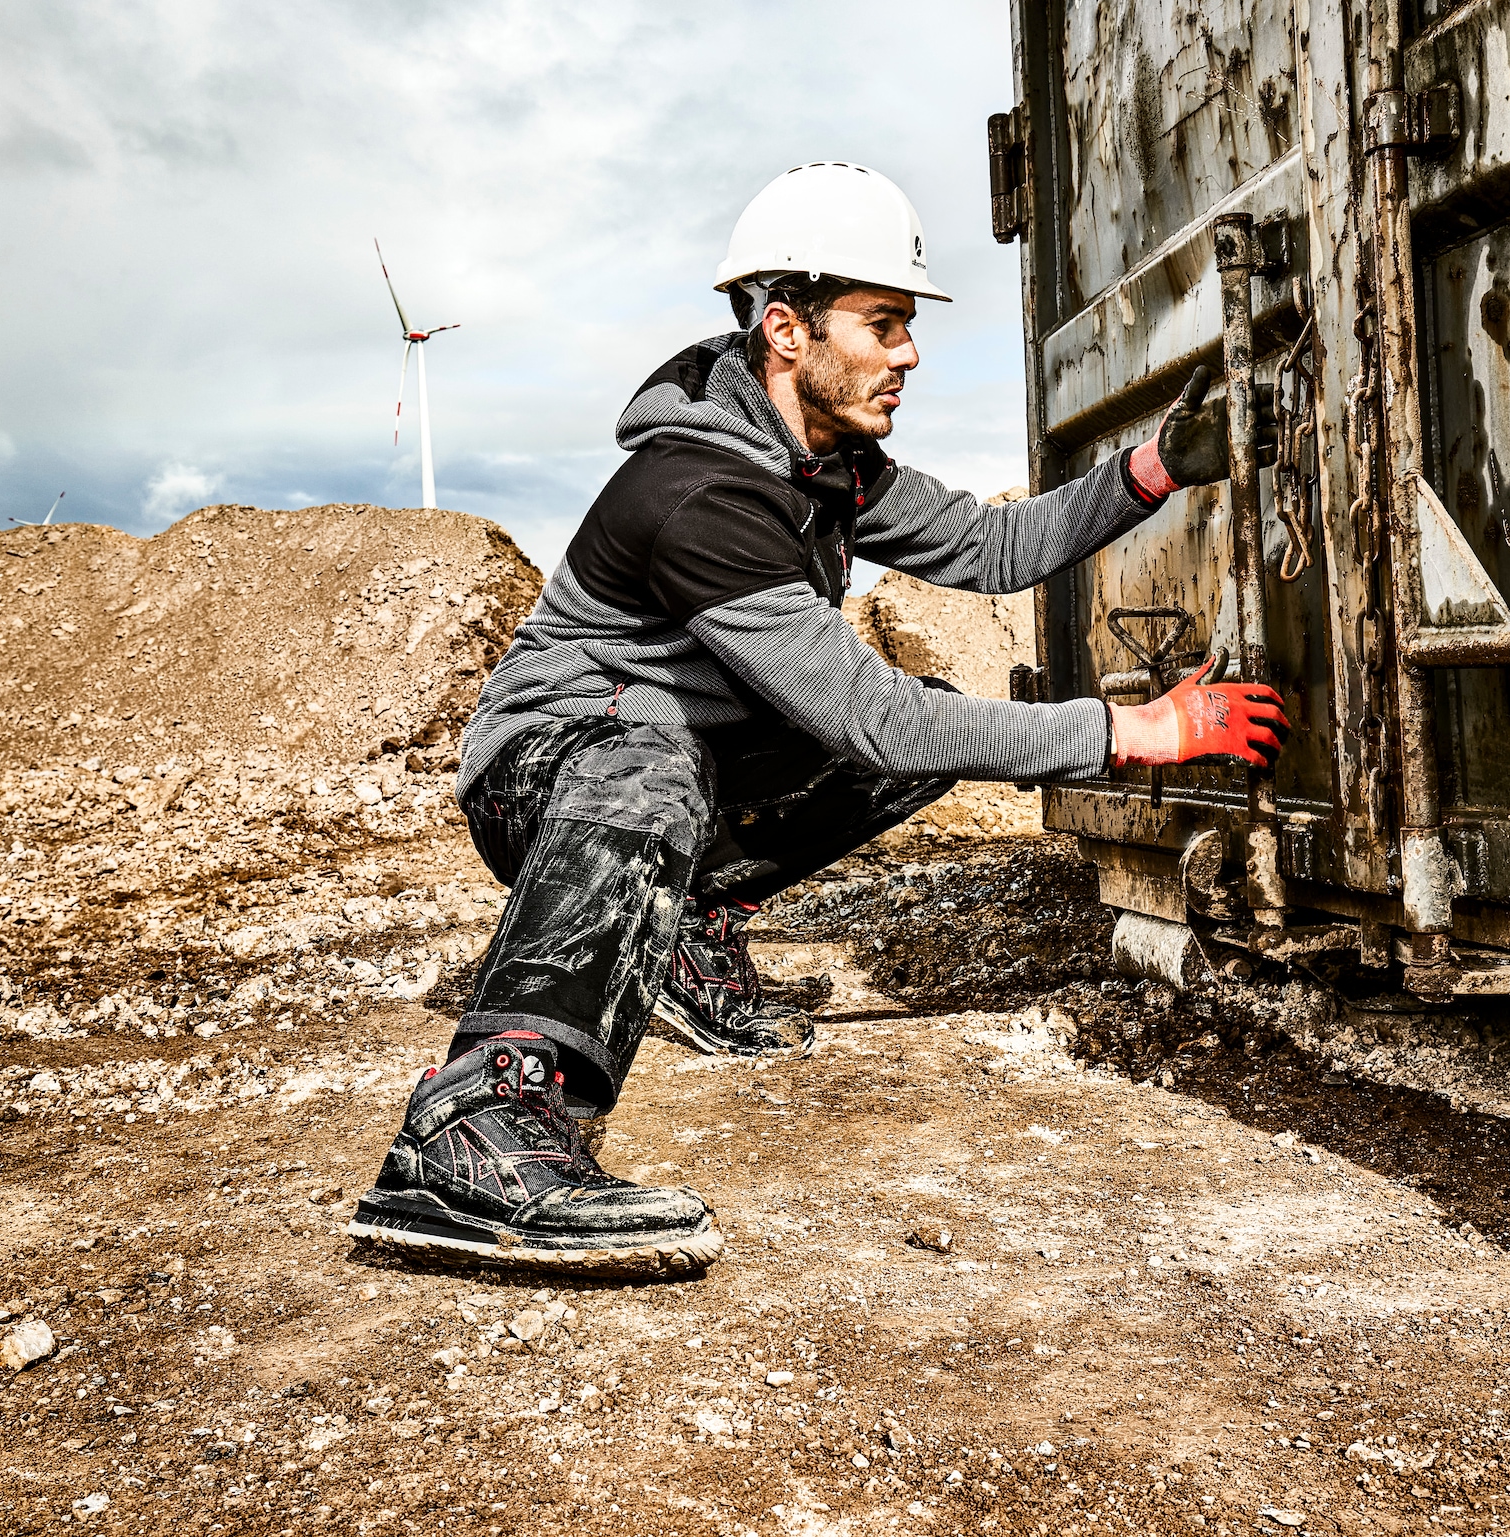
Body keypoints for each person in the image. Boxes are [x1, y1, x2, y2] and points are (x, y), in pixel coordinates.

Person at [346, 162, 1287, 1274]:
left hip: (673, 761)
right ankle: (479, 1120)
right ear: (787, 331)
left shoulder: (829, 466)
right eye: (884, 323)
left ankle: (682, 934)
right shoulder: (699, 492)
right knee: (737, 753)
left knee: (911, 734)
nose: (910, 352)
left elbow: (991, 549)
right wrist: (1135, 731)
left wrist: (1153, 468)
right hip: (546, 778)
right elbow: (863, 713)